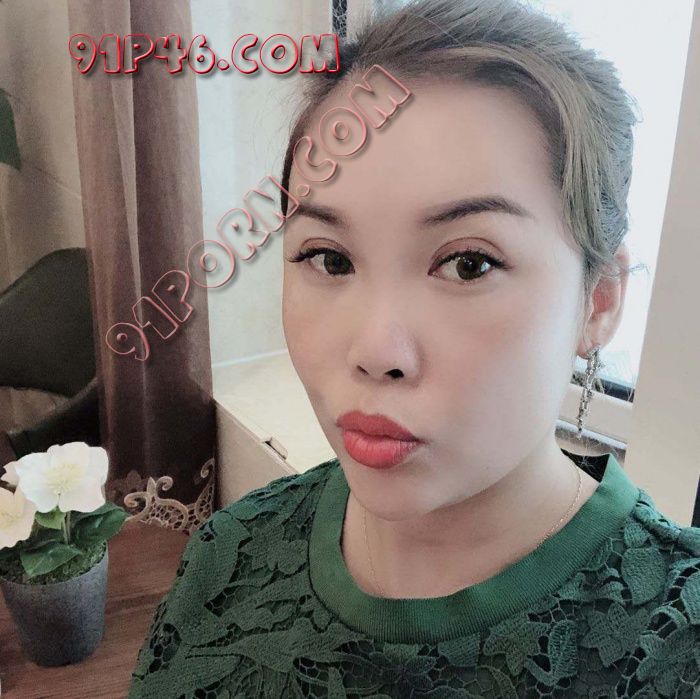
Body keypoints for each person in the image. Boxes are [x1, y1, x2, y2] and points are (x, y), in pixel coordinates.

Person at [127, 0, 700, 696]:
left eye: (468, 264)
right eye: (330, 258)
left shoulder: (678, 644)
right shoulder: (229, 551)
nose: (376, 350)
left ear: (599, 300)